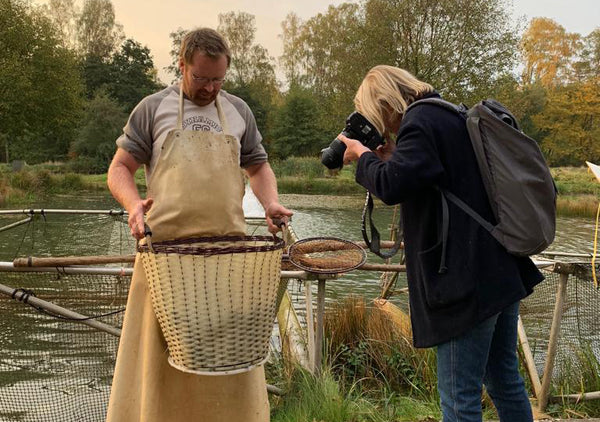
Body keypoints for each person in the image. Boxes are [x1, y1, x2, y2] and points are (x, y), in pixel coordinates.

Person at [105, 27, 292, 422]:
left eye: (218, 79)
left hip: (227, 262)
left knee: (229, 362)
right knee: (157, 368)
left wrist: (271, 201)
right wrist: (134, 204)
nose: (210, 88)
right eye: (201, 78)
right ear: (182, 65)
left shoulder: (239, 111)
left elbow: (258, 167)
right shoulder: (153, 108)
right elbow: (120, 168)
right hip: (164, 262)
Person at [338, 65, 543, 422]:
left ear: (387, 103)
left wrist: (362, 155)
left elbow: (392, 186)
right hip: (498, 268)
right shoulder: (448, 114)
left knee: (458, 394)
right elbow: (429, 178)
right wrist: (387, 158)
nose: (379, 125)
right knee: (503, 377)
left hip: (464, 282)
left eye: (376, 113)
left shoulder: (420, 121)